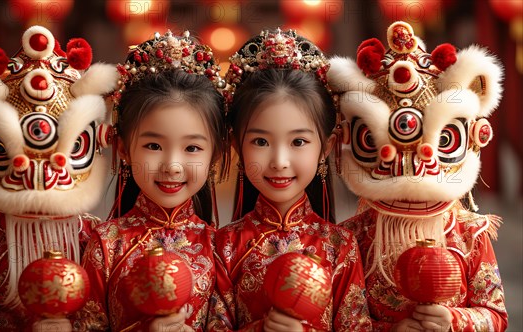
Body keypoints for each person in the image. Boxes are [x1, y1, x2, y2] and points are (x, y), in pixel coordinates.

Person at [327, 21, 508, 331]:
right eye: (372, 140)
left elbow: (496, 315)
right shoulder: (350, 238)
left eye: (444, 139)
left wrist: (455, 320)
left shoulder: (470, 233)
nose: (409, 163)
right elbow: (344, 321)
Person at [0, 25, 118, 330]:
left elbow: (104, 318)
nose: (38, 169)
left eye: (73, 146)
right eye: (1, 147)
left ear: (98, 141)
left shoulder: (96, 236)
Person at [208, 29, 371, 331]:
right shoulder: (223, 246)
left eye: (298, 142)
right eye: (260, 142)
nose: (279, 162)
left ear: (327, 147)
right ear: (235, 146)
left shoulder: (340, 246)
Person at [73, 31, 227, 331]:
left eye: (192, 148)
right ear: (123, 150)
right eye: (153, 146)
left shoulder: (221, 248)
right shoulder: (105, 245)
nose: (172, 166)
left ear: (215, 155)